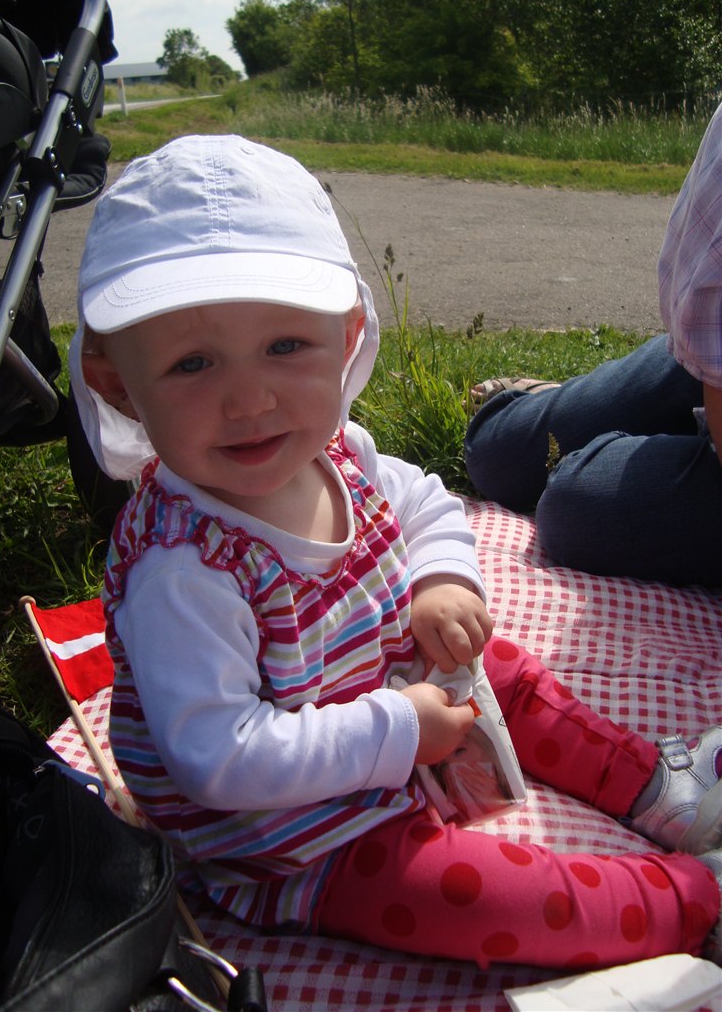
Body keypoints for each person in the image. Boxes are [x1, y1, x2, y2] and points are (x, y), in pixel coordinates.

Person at [69, 134, 722, 970]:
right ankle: (690, 898)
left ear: (346, 337)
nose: (250, 399)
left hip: (390, 697)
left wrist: (441, 581)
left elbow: (424, 502)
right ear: (117, 383)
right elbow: (220, 757)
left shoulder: (340, 451)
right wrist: (399, 729)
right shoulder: (182, 568)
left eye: (285, 347)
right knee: (473, 898)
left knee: (502, 668)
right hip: (299, 835)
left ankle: (656, 788)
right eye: (192, 363)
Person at [464, 103, 722, 588]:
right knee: (496, 453)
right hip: (706, 365)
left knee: (572, 507)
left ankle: (648, 438)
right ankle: (562, 400)